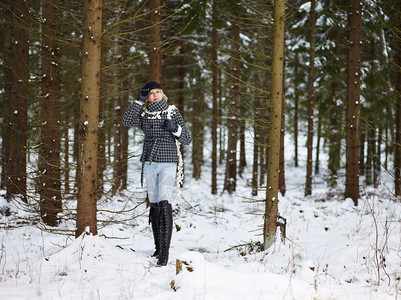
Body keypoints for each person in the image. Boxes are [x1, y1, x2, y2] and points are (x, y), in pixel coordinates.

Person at [121, 81, 192, 266]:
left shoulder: (172, 112)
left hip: (168, 163)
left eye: (158, 92)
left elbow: (187, 139)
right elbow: (126, 121)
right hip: (150, 164)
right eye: (151, 93)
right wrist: (138, 101)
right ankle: (158, 248)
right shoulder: (144, 113)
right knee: (154, 205)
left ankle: (164, 255)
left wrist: (175, 129)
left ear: (163, 94)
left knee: (164, 202)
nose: (155, 95)